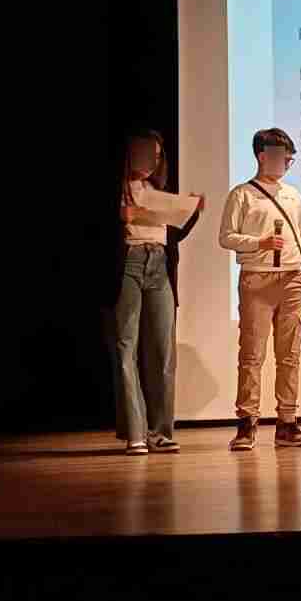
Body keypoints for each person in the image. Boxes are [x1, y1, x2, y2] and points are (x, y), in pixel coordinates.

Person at [217, 127, 301, 450]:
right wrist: (261, 242)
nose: (286, 163)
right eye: (283, 157)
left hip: (293, 279)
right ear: (262, 156)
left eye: (289, 159)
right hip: (257, 279)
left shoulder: (292, 195)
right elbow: (226, 237)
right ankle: (246, 423)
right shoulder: (242, 194)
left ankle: (287, 422)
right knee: (252, 355)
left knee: (290, 355)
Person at [112, 129, 203, 455]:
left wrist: (191, 212)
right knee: (127, 346)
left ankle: (160, 432)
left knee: (164, 350)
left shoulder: (156, 192)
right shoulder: (120, 189)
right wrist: (122, 217)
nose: (151, 161)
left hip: (160, 264)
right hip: (130, 262)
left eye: (157, 156)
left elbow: (173, 235)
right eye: (145, 153)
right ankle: (136, 433)